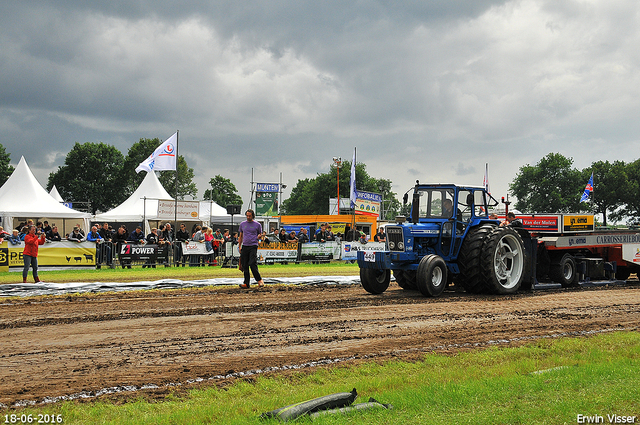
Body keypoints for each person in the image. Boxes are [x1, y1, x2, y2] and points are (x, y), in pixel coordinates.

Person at [238, 209, 264, 289]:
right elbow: (241, 236)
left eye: (250, 216)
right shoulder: (242, 224)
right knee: (245, 265)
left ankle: (259, 280)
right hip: (245, 245)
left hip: (253, 245)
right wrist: (239, 246)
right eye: (247, 215)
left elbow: (260, 235)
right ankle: (246, 283)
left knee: (252, 263)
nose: (248, 217)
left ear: (253, 216)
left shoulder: (257, 224)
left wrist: (259, 239)